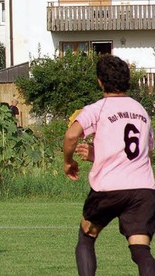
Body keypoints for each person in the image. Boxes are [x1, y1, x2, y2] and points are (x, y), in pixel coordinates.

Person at [63, 54, 155, 276]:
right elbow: (141, 151)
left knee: (86, 236)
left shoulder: (98, 108)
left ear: (100, 81)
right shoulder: (141, 111)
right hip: (143, 190)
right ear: (127, 81)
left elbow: (71, 135)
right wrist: (99, 155)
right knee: (140, 250)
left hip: (108, 189)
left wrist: (68, 162)